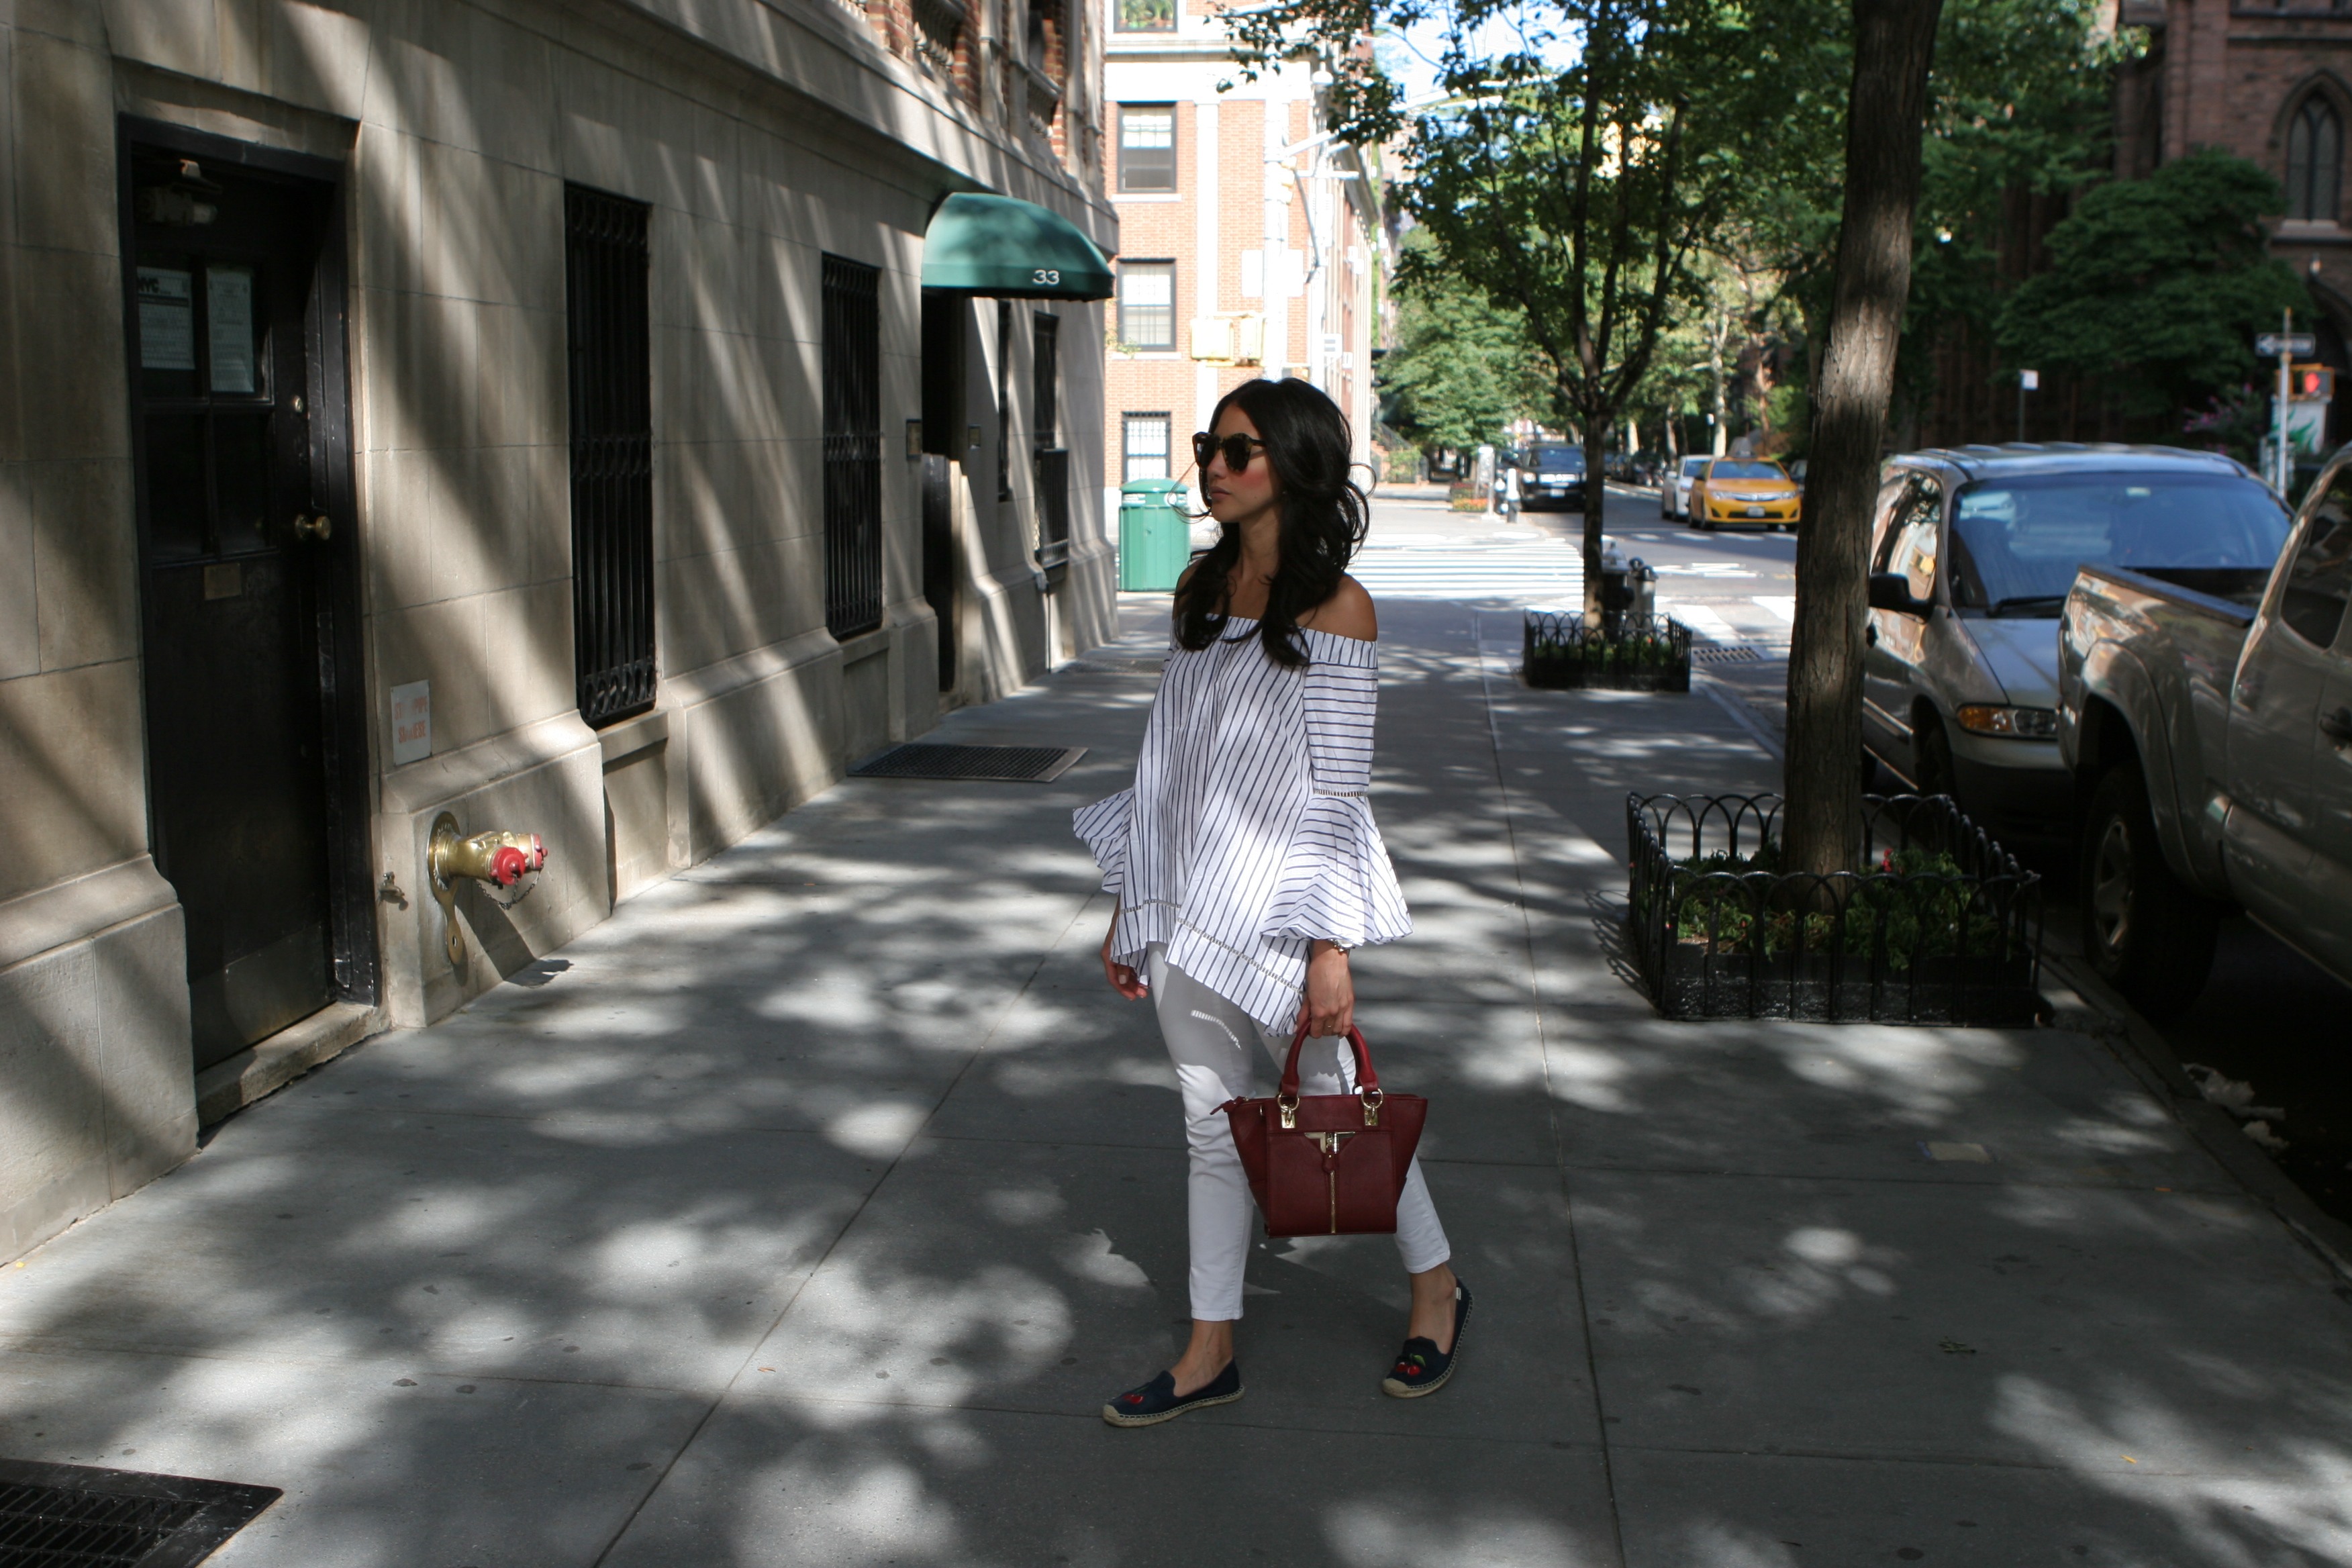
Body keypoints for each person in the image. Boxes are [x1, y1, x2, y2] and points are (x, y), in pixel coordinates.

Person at [1072, 378, 1467, 1429]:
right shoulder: (1200, 592)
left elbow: (1339, 793)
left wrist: (1331, 947)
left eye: (1236, 451)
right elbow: (1170, 766)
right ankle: (1212, 1349)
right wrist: (1130, 899)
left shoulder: (1339, 611)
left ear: (1291, 466)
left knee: (1335, 1107)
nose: (1212, 466)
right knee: (1211, 1126)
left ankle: (1436, 1288)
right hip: (1184, 907)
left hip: (1285, 914)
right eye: (1210, 446)